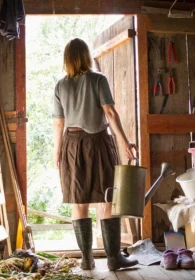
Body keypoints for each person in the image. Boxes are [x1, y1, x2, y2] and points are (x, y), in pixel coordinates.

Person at [52, 38, 138, 271]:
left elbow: (59, 123)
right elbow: (109, 112)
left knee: (78, 201)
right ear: (86, 56)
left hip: (72, 144)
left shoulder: (61, 86)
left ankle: (87, 259)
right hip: (99, 141)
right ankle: (113, 258)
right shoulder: (98, 80)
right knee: (107, 197)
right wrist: (124, 142)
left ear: (67, 59)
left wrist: (57, 151)